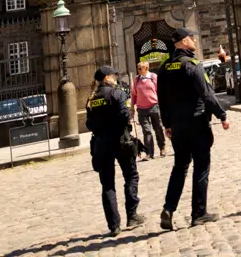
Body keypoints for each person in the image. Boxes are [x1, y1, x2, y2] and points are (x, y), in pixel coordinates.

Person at [157, 27, 230, 230]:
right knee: (201, 166)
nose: (194, 41)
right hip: (197, 122)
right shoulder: (192, 65)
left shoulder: (164, 68)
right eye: (191, 38)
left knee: (179, 167)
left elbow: (162, 101)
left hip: (178, 126)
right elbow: (207, 95)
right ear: (182, 42)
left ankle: (169, 208)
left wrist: (167, 124)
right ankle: (199, 213)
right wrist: (222, 115)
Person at [84, 66, 142, 237]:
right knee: (131, 176)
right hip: (121, 141)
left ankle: (114, 226)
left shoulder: (92, 99)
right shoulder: (117, 94)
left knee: (107, 184)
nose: (116, 78)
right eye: (114, 76)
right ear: (107, 78)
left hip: (102, 143)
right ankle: (132, 215)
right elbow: (126, 116)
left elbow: (89, 124)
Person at [131, 60, 167, 161]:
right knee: (146, 131)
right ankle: (149, 153)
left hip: (154, 106)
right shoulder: (137, 79)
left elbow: (159, 91)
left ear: (146, 68)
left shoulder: (153, 77)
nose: (138, 70)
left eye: (139, 68)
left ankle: (162, 147)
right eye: (138, 68)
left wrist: (162, 104)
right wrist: (132, 108)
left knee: (158, 128)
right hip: (142, 109)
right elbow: (134, 94)